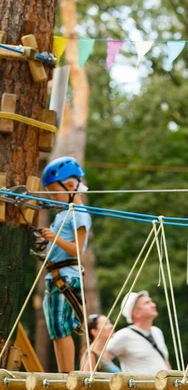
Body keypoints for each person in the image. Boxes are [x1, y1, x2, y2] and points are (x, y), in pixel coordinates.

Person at [40, 156, 92, 373]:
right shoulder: (63, 214)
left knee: (61, 328)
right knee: (55, 328)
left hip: (66, 276)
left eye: (54, 191)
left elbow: (78, 250)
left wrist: (54, 239)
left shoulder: (78, 214)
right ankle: (63, 372)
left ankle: (67, 373)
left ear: (71, 186)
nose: (53, 197)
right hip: (56, 274)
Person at [106, 291, 170, 374]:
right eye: (147, 303)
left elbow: (164, 361)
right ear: (136, 313)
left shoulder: (157, 331)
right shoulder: (124, 335)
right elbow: (101, 358)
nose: (153, 305)